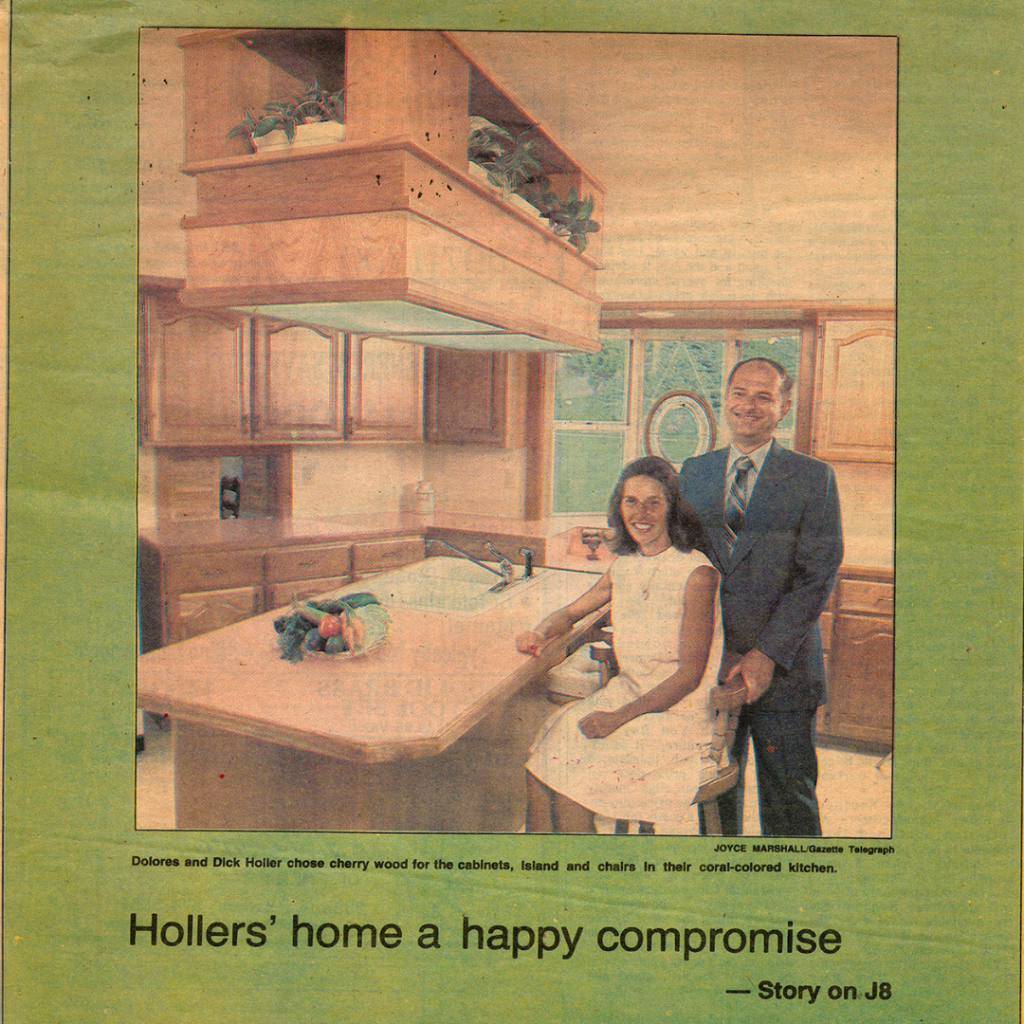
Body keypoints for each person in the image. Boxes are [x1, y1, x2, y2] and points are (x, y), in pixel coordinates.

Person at [679, 357, 843, 836]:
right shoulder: (695, 472)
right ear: (725, 398)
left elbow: (818, 575)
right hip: (714, 664)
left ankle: (794, 900)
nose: (748, 405)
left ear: (783, 407)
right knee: (713, 793)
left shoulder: (813, 477)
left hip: (786, 668)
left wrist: (765, 654)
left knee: (789, 797)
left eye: (763, 396)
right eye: (739, 393)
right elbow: (686, 562)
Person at [517, 456, 724, 834]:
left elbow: (689, 677)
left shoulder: (697, 573)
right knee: (538, 770)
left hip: (674, 716)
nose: (641, 513)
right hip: (627, 695)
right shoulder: (626, 565)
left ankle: (585, 887)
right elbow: (573, 611)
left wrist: (618, 719)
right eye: (631, 501)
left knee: (572, 789)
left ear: (672, 508)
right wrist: (541, 631)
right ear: (619, 505)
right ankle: (542, 883)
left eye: (653, 502)